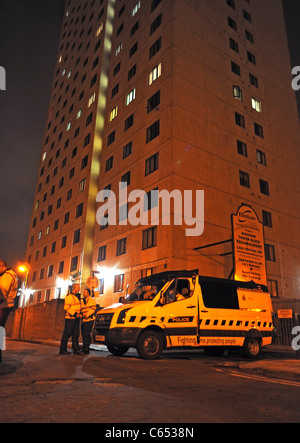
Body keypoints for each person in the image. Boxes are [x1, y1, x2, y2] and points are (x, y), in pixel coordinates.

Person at [0, 260, 18, 363]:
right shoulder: (8, 275)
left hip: (3, 305)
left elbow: (2, 290)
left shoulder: (8, 275)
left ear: (1, 266)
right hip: (4, 305)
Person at [59, 283, 82, 355]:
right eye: (78, 287)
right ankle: (62, 350)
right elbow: (66, 307)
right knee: (67, 333)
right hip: (70, 318)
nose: (79, 289)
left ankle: (76, 350)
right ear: (74, 288)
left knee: (75, 334)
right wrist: (75, 314)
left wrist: (80, 314)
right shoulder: (69, 297)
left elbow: (78, 307)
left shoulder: (77, 297)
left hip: (76, 318)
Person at [81, 288, 97, 354]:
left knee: (86, 334)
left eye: (85, 292)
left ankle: (86, 348)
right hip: (84, 320)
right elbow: (81, 309)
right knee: (83, 334)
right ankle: (85, 346)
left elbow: (93, 309)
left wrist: (87, 315)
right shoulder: (83, 301)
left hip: (89, 320)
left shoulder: (91, 301)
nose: (83, 293)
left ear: (88, 293)